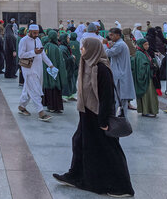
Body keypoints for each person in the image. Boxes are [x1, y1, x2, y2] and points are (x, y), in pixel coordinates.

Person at [53, 38, 135, 197]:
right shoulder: (86, 65)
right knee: (79, 143)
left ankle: (123, 187)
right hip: (86, 113)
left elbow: (107, 97)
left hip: (98, 115)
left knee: (109, 150)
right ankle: (75, 175)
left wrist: (103, 121)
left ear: (92, 49)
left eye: (84, 47)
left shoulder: (101, 69)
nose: (81, 49)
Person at [17, 25, 54, 122]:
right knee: (35, 90)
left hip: (38, 68)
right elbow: (21, 55)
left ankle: (21, 106)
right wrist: (33, 52)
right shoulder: (24, 40)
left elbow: (42, 54)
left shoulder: (38, 40)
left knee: (28, 88)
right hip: (28, 69)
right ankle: (41, 112)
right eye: (34, 33)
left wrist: (50, 65)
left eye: (37, 33)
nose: (36, 35)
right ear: (29, 31)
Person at [102, 28, 136, 116]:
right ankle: (122, 118)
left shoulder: (120, 45)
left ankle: (114, 118)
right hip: (121, 74)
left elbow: (108, 53)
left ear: (118, 35)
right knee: (122, 99)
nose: (110, 37)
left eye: (111, 35)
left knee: (117, 98)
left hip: (120, 75)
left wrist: (105, 44)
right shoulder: (119, 44)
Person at [132, 38, 159, 117]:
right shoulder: (140, 54)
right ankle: (146, 110)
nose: (147, 46)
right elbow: (141, 68)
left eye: (148, 44)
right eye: (145, 45)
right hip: (145, 78)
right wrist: (150, 66)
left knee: (149, 95)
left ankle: (147, 110)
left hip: (148, 77)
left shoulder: (144, 53)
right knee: (147, 95)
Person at [42, 30, 67, 113]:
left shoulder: (45, 47)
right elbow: (60, 62)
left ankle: (50, 106)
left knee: (49, 89)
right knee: (55, 89)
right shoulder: (56, 48)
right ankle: (56, 106)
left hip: (47, 73)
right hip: (55, 73)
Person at [59, 33, 77, 101]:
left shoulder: (66, 46)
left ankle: (70, 95)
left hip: (69, 68)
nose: (68, 39)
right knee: (66, 82)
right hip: (66, 69)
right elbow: (64, 60)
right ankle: (64, 96)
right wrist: (72, 58)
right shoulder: (62, 48)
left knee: (71, 81)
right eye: (67, 38)